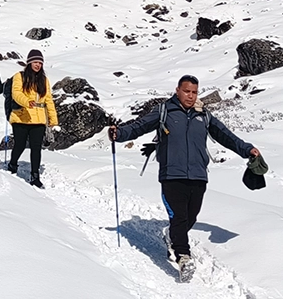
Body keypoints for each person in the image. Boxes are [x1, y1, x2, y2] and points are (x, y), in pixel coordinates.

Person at [108, 74, 259, 282]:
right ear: (177, 90)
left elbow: (226, 136)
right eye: (186, 91)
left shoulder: (203, 115)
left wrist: (247, 149)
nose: (190, 95)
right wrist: (120, 134)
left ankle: (172, 236)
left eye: (194, 92)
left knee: (191, 217)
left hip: (198, 175)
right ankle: (183, 256)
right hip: (171, 174)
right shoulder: (164, 111)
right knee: (179, 217)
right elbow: (139, 126)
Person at [6, 49, 58, 188]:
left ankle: (35, 176)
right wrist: (26, 102)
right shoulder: (19, 76)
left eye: (40, 62)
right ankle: (13, 164)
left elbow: (49, 100)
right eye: (35, 62)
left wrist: (53, 119)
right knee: (20, 144)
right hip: (21, 116)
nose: (38, 65)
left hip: (39, 119)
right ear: (29, 63)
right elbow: (16, 93)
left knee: (36, 148)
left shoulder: (44, 80)